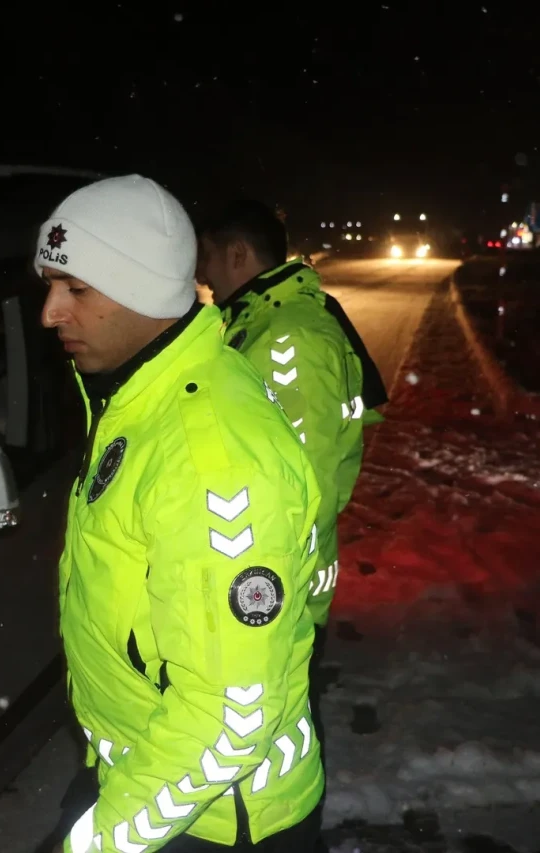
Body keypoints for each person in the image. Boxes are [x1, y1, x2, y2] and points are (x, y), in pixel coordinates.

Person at [38, 175, 328, 853]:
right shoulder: (136, 399)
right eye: (50, 285)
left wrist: (98, 841)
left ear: (142, 290)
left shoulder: (208, 454)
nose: (51, 312)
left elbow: (229, 716)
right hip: (150, 774)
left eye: (76, 289)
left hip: (217, 819)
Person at [196, 200, 386, 766]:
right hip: (268, 579)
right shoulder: (259, 320)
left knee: (279, 750)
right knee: (273, 738)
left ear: (238, 253)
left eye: (207, 257)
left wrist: (257, 593)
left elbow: (303, 490)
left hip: (278, 586)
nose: (201, 274)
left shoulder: (289, 339)